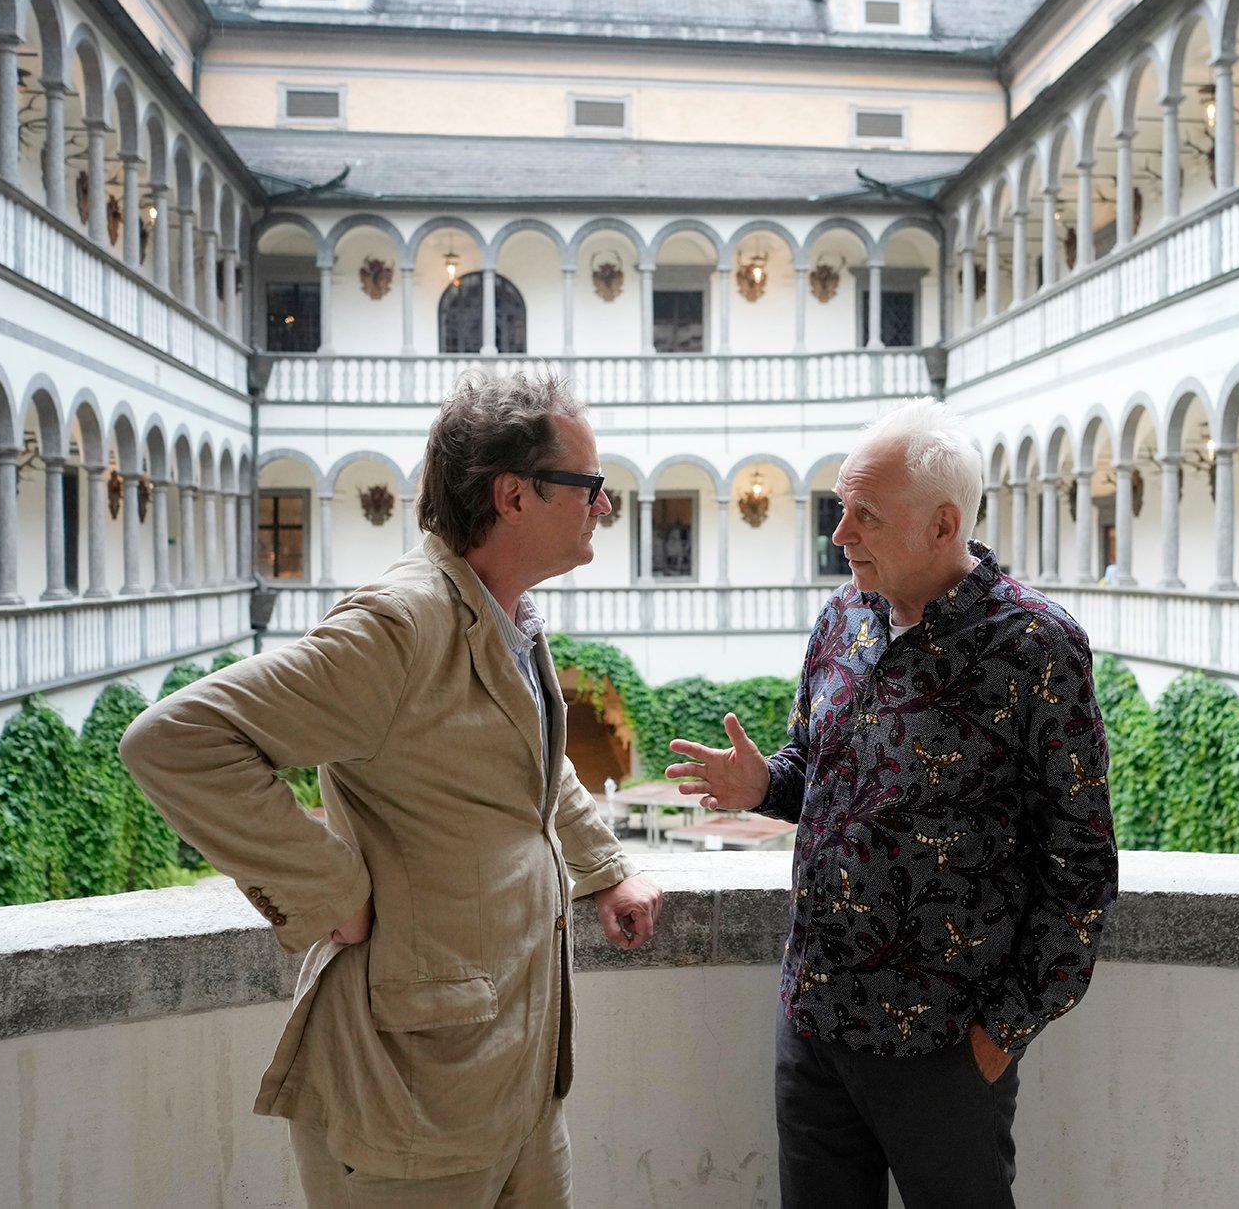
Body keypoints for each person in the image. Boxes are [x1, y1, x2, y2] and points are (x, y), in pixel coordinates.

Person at [121, 372, 664, 1208]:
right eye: (588, 486)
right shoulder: (400, 625)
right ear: (514, 496)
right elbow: (176, 740)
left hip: (518, 1073)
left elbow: (531, 762)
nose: (602, 504)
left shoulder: (503, 611)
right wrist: (328, 886)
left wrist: (602, 865)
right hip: (412, 1096)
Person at [667, 399, 1118, 1209]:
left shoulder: (1036, 647)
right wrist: (763, 784)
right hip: (813, 1027)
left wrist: (998, 1035)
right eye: (842, 508)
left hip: (945, 1047)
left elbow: (1081, 868)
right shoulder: (841, 619)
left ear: (943, 524)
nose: (840, 534)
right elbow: (817, 771)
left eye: (865, 514)